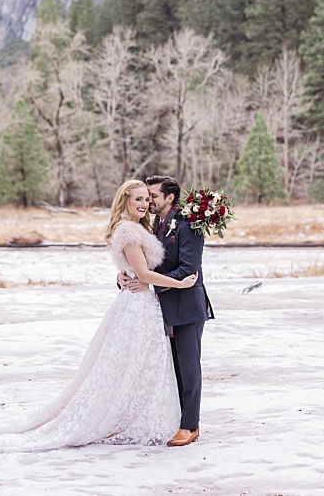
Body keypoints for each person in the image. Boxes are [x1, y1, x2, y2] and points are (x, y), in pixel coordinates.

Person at [0, 180, 197, 451]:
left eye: (148, 198)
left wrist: (127, 273)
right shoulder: (129, 229)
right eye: (139, 199)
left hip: (148, 304)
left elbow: (150, 267)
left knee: (144, 364)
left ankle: (165, 418)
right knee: (134, 363)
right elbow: (146, 274)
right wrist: (178, 283)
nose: (145, 203)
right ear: (124, 201)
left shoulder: (152, 226)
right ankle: (132, 417)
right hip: (140, 304)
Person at [120, 174, 214, 447]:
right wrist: (124, 275)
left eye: (153, 196)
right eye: (146, 196)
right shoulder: (156, 224)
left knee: (188, 367)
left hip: (186, 307)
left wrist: (149, 285)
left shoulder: (189, 225)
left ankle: (190, 426)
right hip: (160, 309)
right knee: (170, 368)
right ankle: (176, 420)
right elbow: (145, 263)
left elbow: (188, 269)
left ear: (170, 198)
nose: (149, 201)